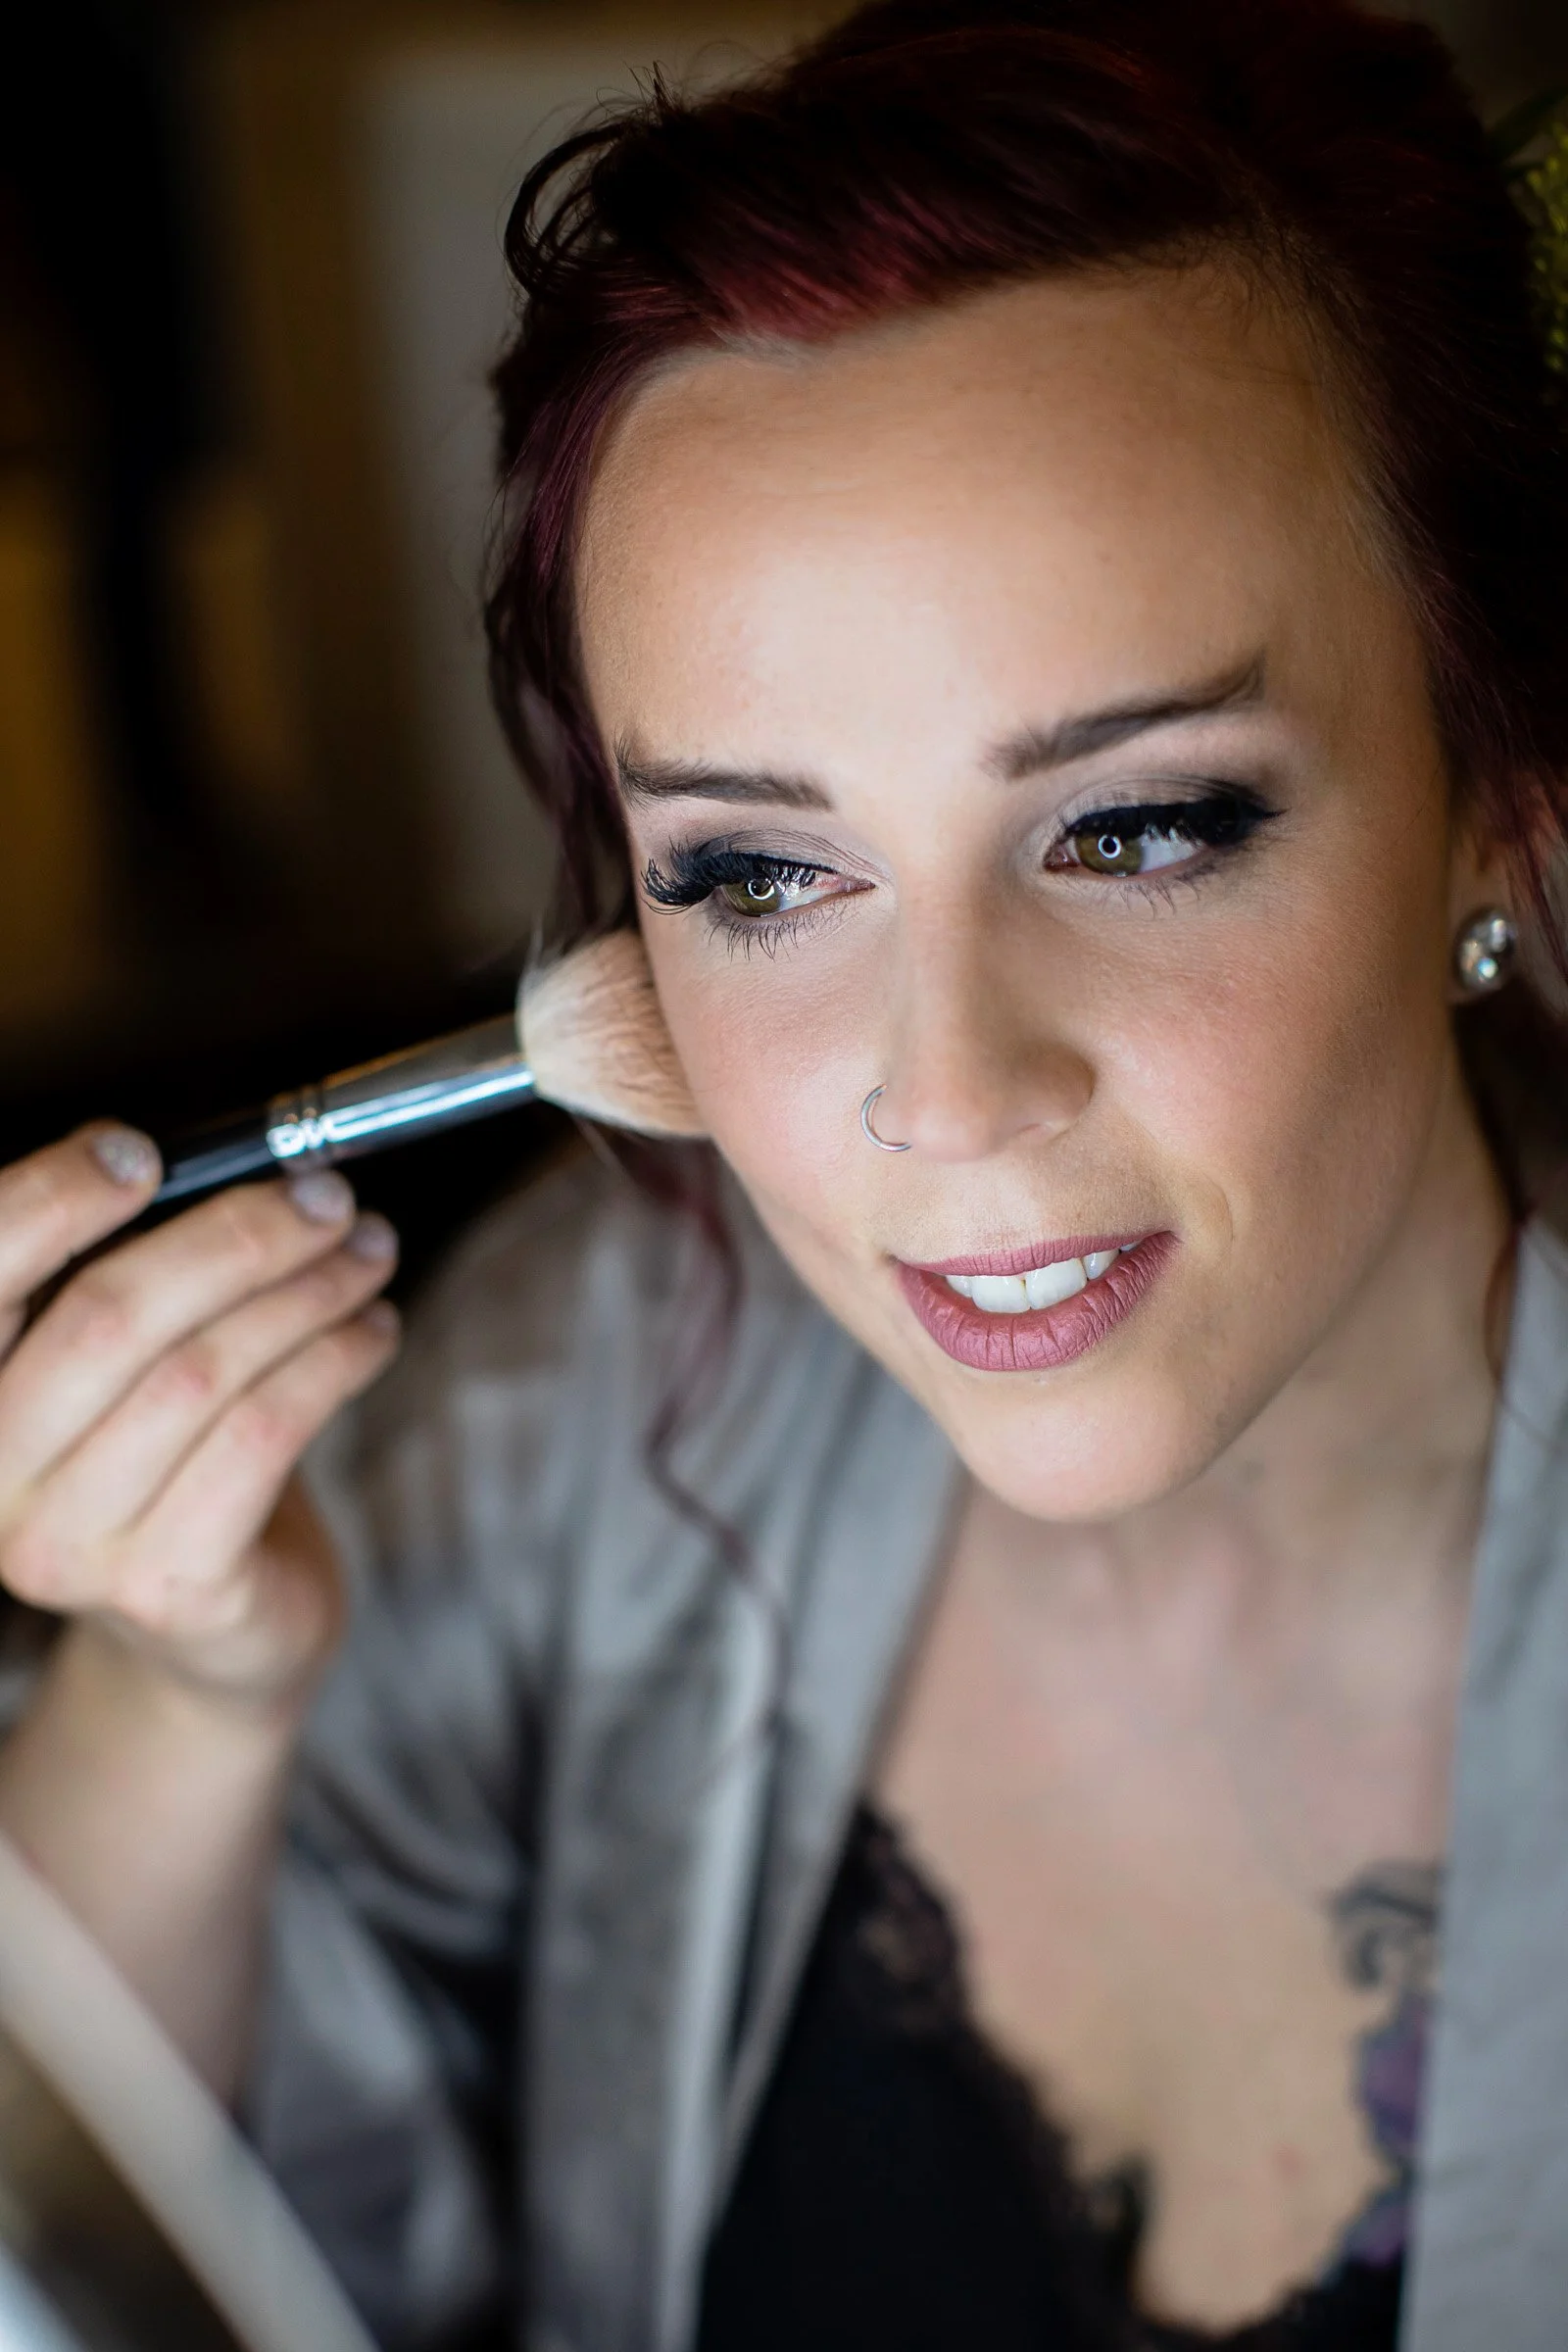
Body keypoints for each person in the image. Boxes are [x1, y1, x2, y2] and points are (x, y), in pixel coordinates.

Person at [2, 2, 1568, 2345]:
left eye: (1133, 826)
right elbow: (82, 2239)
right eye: (751, 873)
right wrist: (186, 1692)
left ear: (1491, 792)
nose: (940, 1093)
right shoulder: (587, 1375)